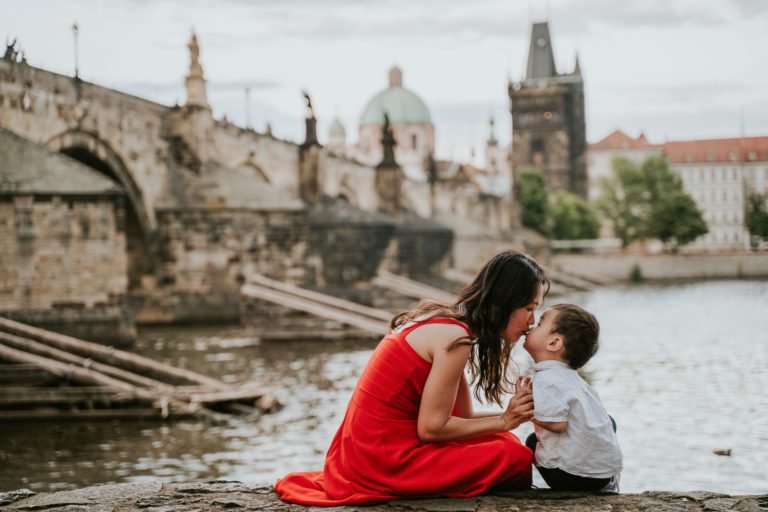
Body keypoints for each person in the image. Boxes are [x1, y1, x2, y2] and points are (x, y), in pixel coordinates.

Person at [275, 250, 549, 505]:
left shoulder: (447, 323)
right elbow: (431, 429)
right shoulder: (456, 338)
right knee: (515, 456)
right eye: (528, 308)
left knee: (506, 440)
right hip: (381, 461)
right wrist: (504, 420)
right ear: (504, 302)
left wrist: (511, 416)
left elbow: (460, 419)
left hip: (362, 453)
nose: (532, 320)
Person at [522, 304, 622, 492]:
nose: (532, 324)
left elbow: (558, 425)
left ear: (554, 343)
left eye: (540, 324)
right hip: (602, 475)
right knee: (607, 421)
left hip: (570, 476)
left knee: (531, 442)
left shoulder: (546, 378)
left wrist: (530, 413)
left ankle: (525, 488)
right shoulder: (574, 379)